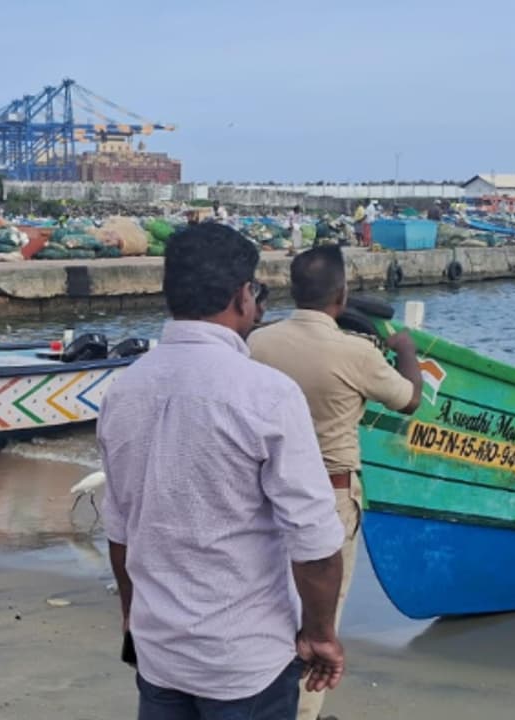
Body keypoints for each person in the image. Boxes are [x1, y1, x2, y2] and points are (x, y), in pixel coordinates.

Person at [99, 223, 346, 719]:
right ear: (242, 296)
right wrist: (320, 634)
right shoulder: (267, 393)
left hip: (160, 651)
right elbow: (315, 543)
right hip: (245, 657)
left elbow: (120, 528)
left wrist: (133, 615)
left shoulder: (122, 390)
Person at [248, 245, 422, 720]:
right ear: (342, 295)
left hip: (262, 489)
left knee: (266, 600)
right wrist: (406, 351)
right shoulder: (357, 353)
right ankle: (304, 713)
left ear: (292, 290)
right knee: (322, 612)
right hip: (331, 491)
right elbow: (409, 401)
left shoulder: (257, 343)